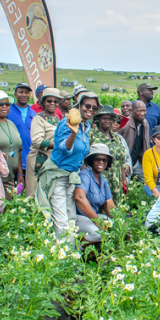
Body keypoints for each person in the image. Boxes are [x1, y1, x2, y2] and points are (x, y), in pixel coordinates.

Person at [36, 92, 100, 242]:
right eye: (87, 106)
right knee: (61, 219)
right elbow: (63, 149)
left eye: (94, 108)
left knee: (71, 216)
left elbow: (81, 151)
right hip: (57, 176)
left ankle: (71, 253)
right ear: (79, 106)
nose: (90, 109)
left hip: (71, 176)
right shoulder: (68, 123)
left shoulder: (86, 126)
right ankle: (63, 258)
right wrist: (73, 133)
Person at [74, 144, 116, 247]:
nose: (101, 162)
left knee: (114, 226)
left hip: (93, 217)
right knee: (98, 234)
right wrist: (97, 220)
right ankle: (79, 250)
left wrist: (121, 222)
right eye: (97, 159)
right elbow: (79, 197)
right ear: (91, 161)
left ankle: (100, 254)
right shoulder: (85, 175)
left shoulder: (103, 180)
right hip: (79, 217)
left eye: (104, 160)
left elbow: (109, 204)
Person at [89, 105, 131, 200]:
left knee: (116, 209)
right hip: (100, 177)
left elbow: (121, 161)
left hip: (117, 179)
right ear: (98, 119)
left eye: (110, 118)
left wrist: (124, 179)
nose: (107, 121)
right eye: (104, 118)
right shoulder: (91, 135)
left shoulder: (116, 138)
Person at [26, 88, 62, 198]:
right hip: (39, 160)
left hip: (52, 161)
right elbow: (37, 141)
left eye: (55, 101)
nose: (52, 103)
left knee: (48, 194)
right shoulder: (39, 118)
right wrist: (58, 146)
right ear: (43, 102)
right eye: (49, 101)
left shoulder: (57, 119)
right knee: (35, 193)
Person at [7, 82, 36, 192]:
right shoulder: (8, 111)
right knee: (13, 193)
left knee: (27, 193)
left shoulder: (33, 114)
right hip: (13, 161)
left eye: (27, 92)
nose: (24, 95)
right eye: (21, 92)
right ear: (15, 94)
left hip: (29, 161)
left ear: (30, 95)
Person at [117, 100, 150, 181]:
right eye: (139, 111)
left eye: (144, 111)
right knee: (124, 184)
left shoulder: (144, 123)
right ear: (131, 111)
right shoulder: (125, 123)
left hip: (137, 161)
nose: (142, 113)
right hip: (126, 161)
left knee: (147, 179)